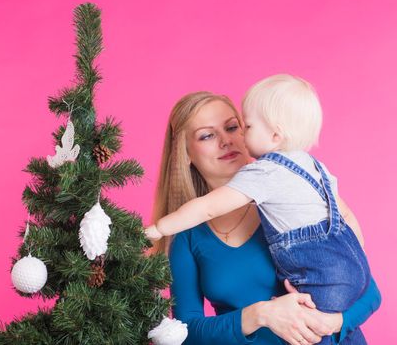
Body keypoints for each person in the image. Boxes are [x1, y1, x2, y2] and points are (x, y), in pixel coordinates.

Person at [150, 90, 381, 345]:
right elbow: (186, 330)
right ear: (186, 154)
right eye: (207, 135)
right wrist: (260, 315)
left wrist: (335, 322)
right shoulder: (187, 233)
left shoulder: (294, 199)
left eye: (232, 127)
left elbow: (368, 290)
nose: (225, 140)